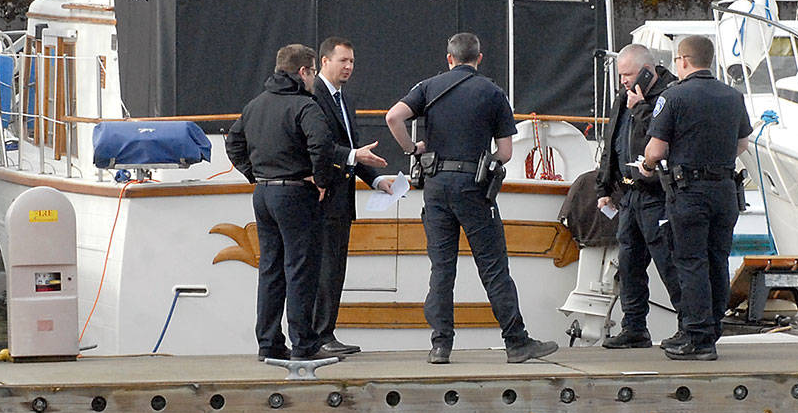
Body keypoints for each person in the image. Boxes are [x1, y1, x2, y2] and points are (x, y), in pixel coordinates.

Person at [384, 32, 559, 364]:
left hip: (435, 185)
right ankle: (516, 342)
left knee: (442, 268)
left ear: (449, 58)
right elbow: (505, 153)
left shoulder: (428, 86)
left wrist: (412, 149)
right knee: (493, 267)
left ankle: (440, 345)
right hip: (473, 186)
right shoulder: (492, 93)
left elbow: (393, 117)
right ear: (479, 59)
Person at [225, 44, 337, 361]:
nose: (314, 78)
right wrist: (322, 180)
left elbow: (234, 143)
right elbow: (322, 143)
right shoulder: (305, 106)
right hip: (295, 192)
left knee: (271, 269)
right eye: (313, 72)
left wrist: (253, 173)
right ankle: (304, 344)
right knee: (301, 269)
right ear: (303, 72)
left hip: (263, 194)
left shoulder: (256, 105)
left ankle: (269, 343)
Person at [643, 35, 751, 360]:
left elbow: (656, 149)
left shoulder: (674, 96)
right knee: (718, 260)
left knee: (691, 262)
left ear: (684, 60)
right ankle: (712, 329)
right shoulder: (733, 96)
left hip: (690, 191)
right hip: (725, 190)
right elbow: (743, 142)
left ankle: (697, 337)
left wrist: (648, 166)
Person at [595, 43, 681, 349]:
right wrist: (605, 186)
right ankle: (634, 326)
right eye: (620, 76)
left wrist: (641, 108)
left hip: (657, 195)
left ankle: (688, 325)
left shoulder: (669, 97)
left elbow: (660, 140)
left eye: (628, 75)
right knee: (629, 264)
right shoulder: (625, 96)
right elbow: (612, 140)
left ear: (647, 71)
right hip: (629, 193)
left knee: (669, 262)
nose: (623, 81)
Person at [312, 36, 392, 357]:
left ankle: (327, 332)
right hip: (321, 199)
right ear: (324, 61)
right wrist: (354, 156)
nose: (348, 67)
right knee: (324, 270)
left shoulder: (344, 100)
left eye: (352, 62)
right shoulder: (313, 97)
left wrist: (376, 180)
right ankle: (318, 335)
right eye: (343, 60)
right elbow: (321, 145)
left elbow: (353, 153)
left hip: (342, 202)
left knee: (335, 270)